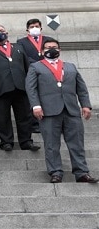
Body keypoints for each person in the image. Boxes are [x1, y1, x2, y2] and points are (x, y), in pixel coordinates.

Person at [25, 39, 98, 183]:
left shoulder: (70, 67)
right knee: (51, 144)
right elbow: (30, 88)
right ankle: (55, 172)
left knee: (77, 143)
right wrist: (35, 106)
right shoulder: (36, 67)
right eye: (48, 47)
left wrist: (86, 105)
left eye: (54, 47)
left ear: (59, 50)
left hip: (71, 110)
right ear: (42, 51)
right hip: (48, 111)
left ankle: (82, 172)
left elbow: (81, 88)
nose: (51, 49)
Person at [0, 25, 40, 151]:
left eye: (1, 31)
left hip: (20, 86)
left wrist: (30, 84)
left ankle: (26, 141)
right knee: (2, 117)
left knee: (24, 116)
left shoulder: (18, 47)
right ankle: (6, 141)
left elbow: (27, 67)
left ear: (7, 33)